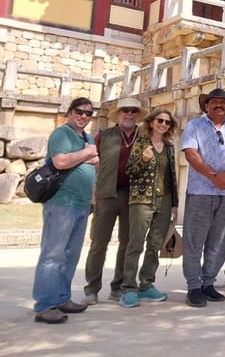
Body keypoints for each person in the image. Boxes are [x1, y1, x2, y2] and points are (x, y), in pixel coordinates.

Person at [181, 88, 225, 308]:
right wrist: (214, 176)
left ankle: (208, 282)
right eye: (214, 102)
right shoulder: (195, 126)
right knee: (195, 240)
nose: (219, 105)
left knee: (219, 240)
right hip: (201, 191)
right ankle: (193, 286)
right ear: (206, 105)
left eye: (223, 102)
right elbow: (191, 154)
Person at [33, 97, 98, 323]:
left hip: (81, 204)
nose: (83, 116)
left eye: (88, 113)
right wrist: (87, 154)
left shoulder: (87, 137)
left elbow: (96, 162)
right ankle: (45, 304)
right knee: (53, 254)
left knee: (71, 255)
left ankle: (62, 297)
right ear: (70, 113)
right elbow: (60, 162)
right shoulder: (62, 134)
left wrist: (93, 197)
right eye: (79, 112)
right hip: (61, 203)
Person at [83, 97, 147, 305]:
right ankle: (92, 288)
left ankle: (119, 287)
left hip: (134, 195)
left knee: (128, 244)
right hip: (107, 194)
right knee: (99, 243)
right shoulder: (104, 136)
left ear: (138, 115)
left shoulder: (144, 136)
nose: (129, 114)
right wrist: (92, 193)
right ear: (118, 114)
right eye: (125, 111)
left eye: (133, 111)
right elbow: (92, 163)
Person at [119, 108, 179, 308]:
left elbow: (172, 176)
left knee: (155, 245)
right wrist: (143, 159)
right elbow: (130, 171)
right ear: (151, 122)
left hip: (164, 200)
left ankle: (146, 284)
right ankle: (128, 287)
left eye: (167, 122)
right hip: (142, 199)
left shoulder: (169, 147)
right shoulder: (141, 143)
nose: (163, 124)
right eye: (159, 120)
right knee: (135, 244)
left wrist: (175, 204)